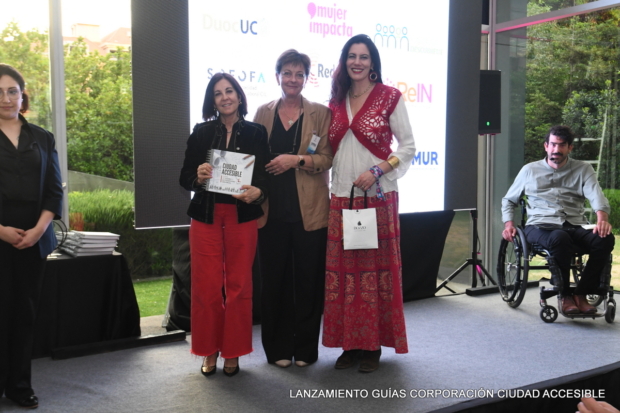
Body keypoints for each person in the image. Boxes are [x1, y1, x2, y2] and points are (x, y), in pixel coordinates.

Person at [322, 34, 416, 373]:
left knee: (374, 276)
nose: (357, 62)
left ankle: (372, 345)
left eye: (363, 56)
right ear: (345, 61)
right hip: (342, 198)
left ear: (372, 62)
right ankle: (349, 345)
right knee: (345, 275)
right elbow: (326, 151)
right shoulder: (336, 100)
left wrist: (377, 170)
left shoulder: (390, 97)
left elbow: (407, 147)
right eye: (351, 56)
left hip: (377, 197)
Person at [179, 73, 269, 377]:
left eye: (229, 91)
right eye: (218, 93)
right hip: (206, 216)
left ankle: (233, 352)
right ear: (212, 101)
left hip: (241, 217)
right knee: (205, 287)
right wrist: (198, 176)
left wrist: (260, 192)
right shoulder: (202, 131)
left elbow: (265, 178)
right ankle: (209, 350)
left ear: (239, 96)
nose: (225, 97)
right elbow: (184, 177)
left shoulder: (257, 132)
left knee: (239, 287)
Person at [253, 50, 332, 368]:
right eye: (287, 73)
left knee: (309, 283)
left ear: (306, 78)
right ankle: (278, 349)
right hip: (270, 213)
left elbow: (326, 158)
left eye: (299, 74)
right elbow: (254, 160)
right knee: (274, 283)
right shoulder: (262, 112)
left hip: (309, 213)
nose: (293, 79)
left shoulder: (320, 114)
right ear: (277, 76)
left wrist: (296, 160)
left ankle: (306, 350)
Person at [0, 64, 63, 408]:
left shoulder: (42, 137)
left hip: (33, 239)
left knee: (25, 314)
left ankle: (19, 386)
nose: (6, 98)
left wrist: (39, 229)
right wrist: (2, 233)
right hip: (0, 236)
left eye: (13, 91)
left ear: (22, 95)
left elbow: (54, 191)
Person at [502, 125, 614, 315]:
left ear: (569, 148)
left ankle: (581, 293)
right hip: (539, 226)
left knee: (605, 239)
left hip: (574, 223)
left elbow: (596, 195)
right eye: (553, 145)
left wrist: (602, 218)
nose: (556, 149)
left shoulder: (583, 169)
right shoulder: (529, 170)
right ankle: (564, 296)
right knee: (559, 237)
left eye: (561, 145)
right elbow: (509, 200)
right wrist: (509, 224)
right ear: (546, 146)